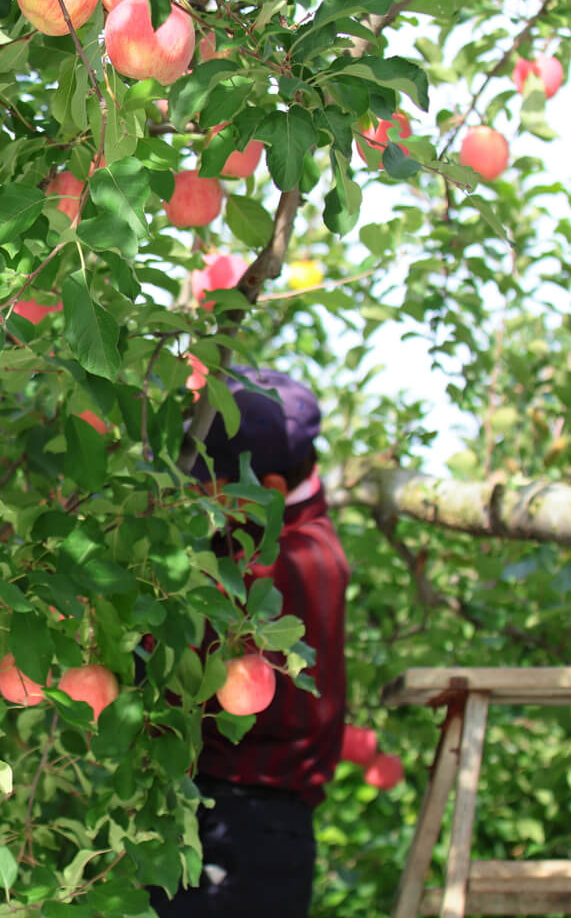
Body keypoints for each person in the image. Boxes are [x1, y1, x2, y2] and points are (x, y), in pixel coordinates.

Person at [150, 366, 349, 916]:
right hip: (241, 823)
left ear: (264, 491)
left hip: (245, 829)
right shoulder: (303, 537)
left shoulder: (281, 568)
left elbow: (175, 667)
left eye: (206, 487)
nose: (192, 500)